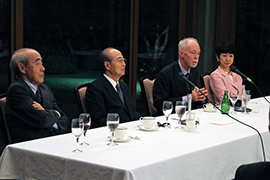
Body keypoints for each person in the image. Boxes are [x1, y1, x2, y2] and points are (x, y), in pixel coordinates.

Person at [5, 48, 70, 143]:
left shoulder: (44, 89)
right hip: (30, 147)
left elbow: (65, 122)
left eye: (42, 63)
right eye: (37, 64)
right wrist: (56, 114)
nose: (43, 68)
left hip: (51, 140)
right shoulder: (17, 90)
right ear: (22, 68)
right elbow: (42, 120)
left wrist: (46, 113)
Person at [85, 47, 140, 128]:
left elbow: (132, 112)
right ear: (107, 65)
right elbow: (98, 120)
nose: (124, 64)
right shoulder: (96, 88)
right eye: (119, 60)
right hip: (111, 133)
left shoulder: (124, 86)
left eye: (124, 60)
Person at [153, 37, 208, 115]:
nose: (196, 57)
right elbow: (159, 104)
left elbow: (194, 101)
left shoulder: (194, 72)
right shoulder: (166, 73)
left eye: (198, 53)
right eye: (192, 53)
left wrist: (200, 97)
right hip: (172, 118)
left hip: (190, 116)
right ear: (181, 53)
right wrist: (187, 99)